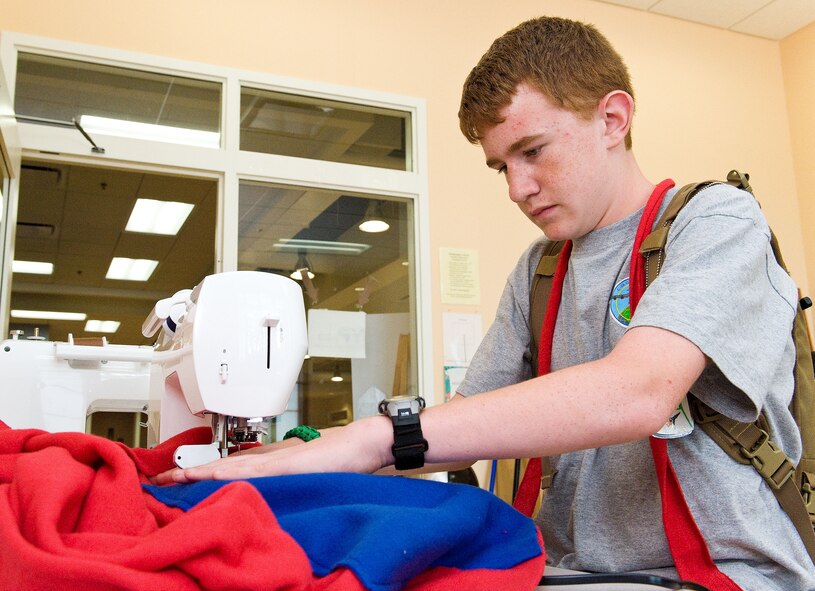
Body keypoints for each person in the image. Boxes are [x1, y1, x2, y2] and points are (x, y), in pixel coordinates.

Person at [156, 16, 815, 589]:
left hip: (723, 575)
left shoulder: (717, 222)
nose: (517, 188)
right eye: (502, 166)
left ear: (612, 119)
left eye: (531, 152)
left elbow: (637, 391)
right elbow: (460, 424)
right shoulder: (539, 268)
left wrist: (369, 439)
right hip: (575, 571)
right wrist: (293, 457)